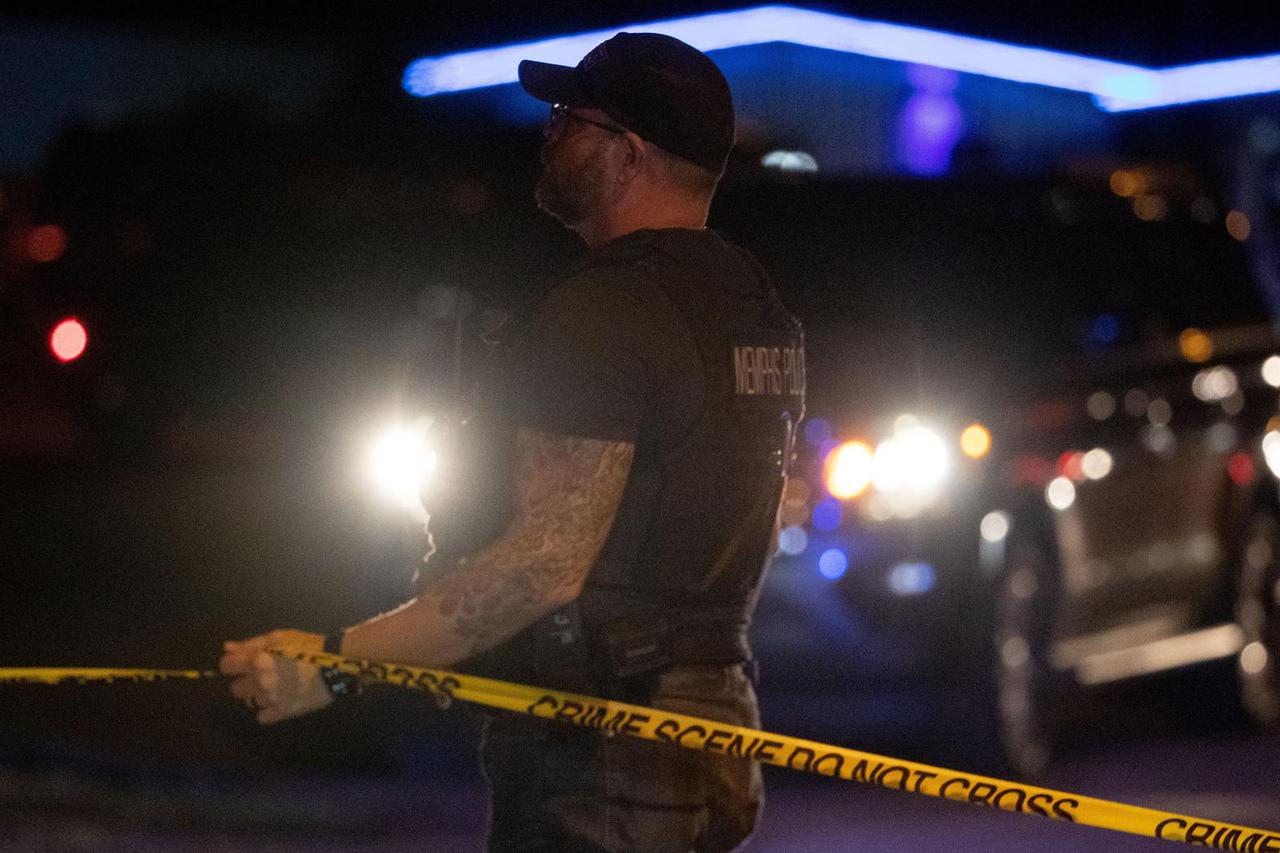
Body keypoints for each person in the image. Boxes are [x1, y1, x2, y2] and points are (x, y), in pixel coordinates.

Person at [220, 32, 805, 852]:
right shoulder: (755, 309)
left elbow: (545, 563)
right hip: (713, 723)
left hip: (607, 741)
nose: (550, 131)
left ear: (628, 154)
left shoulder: (602, 313)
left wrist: (335, 660)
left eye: (571, 117)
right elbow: (766, 507)